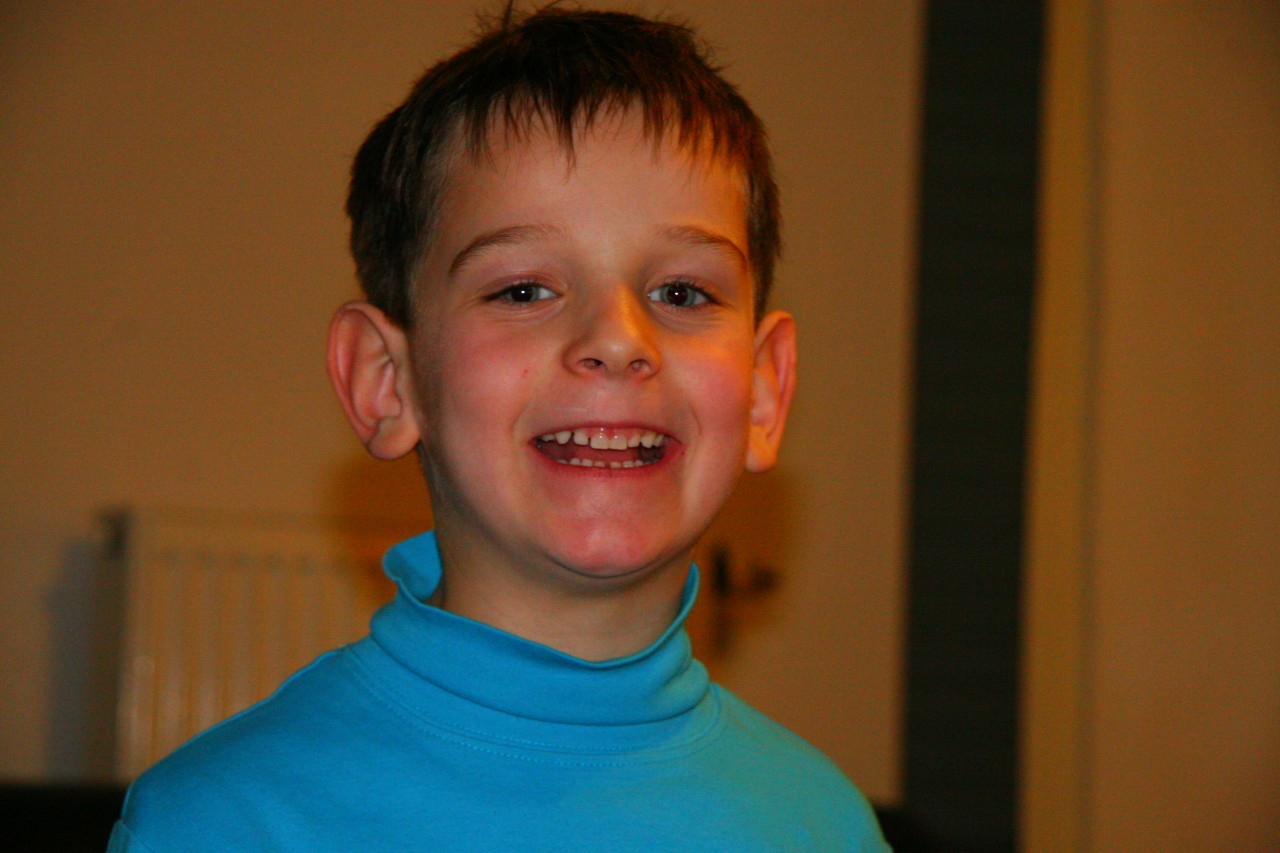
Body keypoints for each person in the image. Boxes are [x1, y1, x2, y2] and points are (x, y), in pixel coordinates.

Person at [108, 6, 889, 851]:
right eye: (523, 290)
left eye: (682, 292)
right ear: (386, 381)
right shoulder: (221, 822)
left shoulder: (827, 825)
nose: (618, 339)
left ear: (765, 390)